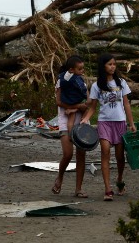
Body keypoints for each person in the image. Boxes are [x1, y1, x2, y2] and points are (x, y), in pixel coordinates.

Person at [80, 53, 136, 201]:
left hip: (120, 122)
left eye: (114, 64)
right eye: (109, 64)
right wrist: (85, 119)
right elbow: (92, 107)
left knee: (119, 156)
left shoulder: (121, 83)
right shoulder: (97, 85)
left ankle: (119, 179)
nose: (112, 67)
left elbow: (126, 104)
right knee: (105, 151)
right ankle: (107, 189)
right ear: (103, 66)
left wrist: (131, 123)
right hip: (104, 122)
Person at [52, 55, 89, 198]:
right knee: (68, 153)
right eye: (79, 68)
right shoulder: (61, 82)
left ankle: (78, 188)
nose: (82, 71)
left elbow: (87, 100)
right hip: (64, 117)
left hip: (81, 118)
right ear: (71, 69)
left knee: (81, 154)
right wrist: (75, 107)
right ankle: (60, 177)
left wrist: (81, 108)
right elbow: (59, 101)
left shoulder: (81, 82)